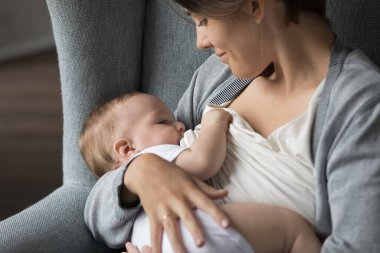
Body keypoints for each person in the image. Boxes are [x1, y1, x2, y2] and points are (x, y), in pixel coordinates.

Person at [85, 0, 380, 253]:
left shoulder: (361, 106)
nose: (199, 42)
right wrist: (138, 173)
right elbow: (98, 215)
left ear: (255, 4)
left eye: (203, 20)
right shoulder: (221, 78)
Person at [80, 91, 321, 253]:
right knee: (292, 228)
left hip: (167, 245)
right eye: (162, 122)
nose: (180, 124)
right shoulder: (152, 157)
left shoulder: (129, 211)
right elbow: (203, 162)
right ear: (127, 148)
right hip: (202, 234)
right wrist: (214, 124)